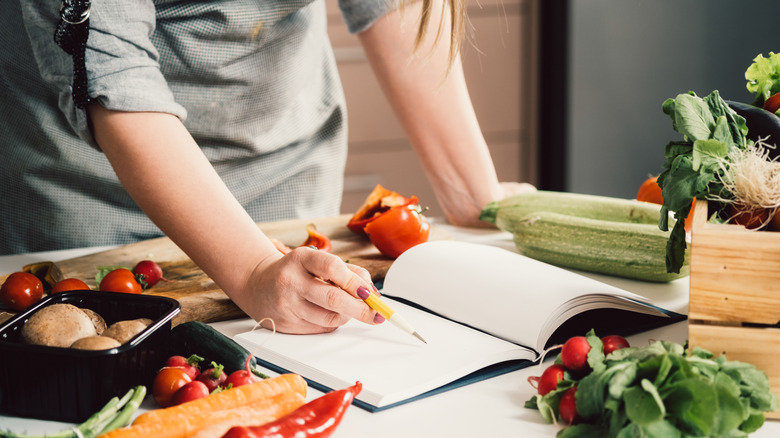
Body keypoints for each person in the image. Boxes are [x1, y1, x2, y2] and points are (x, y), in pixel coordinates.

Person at [0, 0, 535, 334]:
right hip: (89, 193)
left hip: (286, 173)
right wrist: (254, 271)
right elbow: (116, 75)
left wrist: (472, 191)